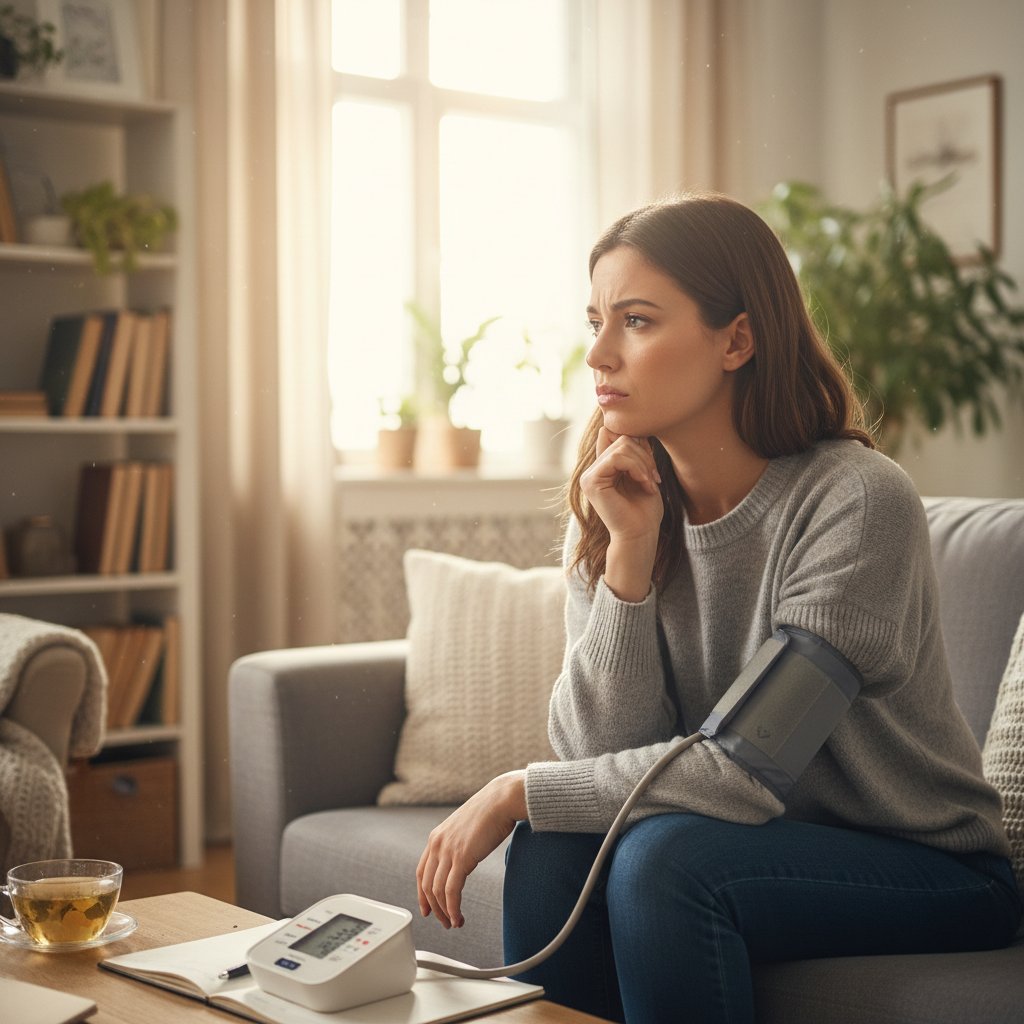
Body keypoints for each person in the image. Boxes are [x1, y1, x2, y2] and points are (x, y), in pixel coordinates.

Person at [414, 192, 1022, 1023]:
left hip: (929, 866)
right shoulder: (615, 505)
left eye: (635, 321)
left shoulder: (855, 501)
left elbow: (746, 767)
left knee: (663, 859)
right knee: (556, 845)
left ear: (736, 338)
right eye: (595, 319)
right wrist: (628, 562)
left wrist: (518, 787)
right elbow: (600, 755)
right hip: (750, 844)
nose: (597, 354)